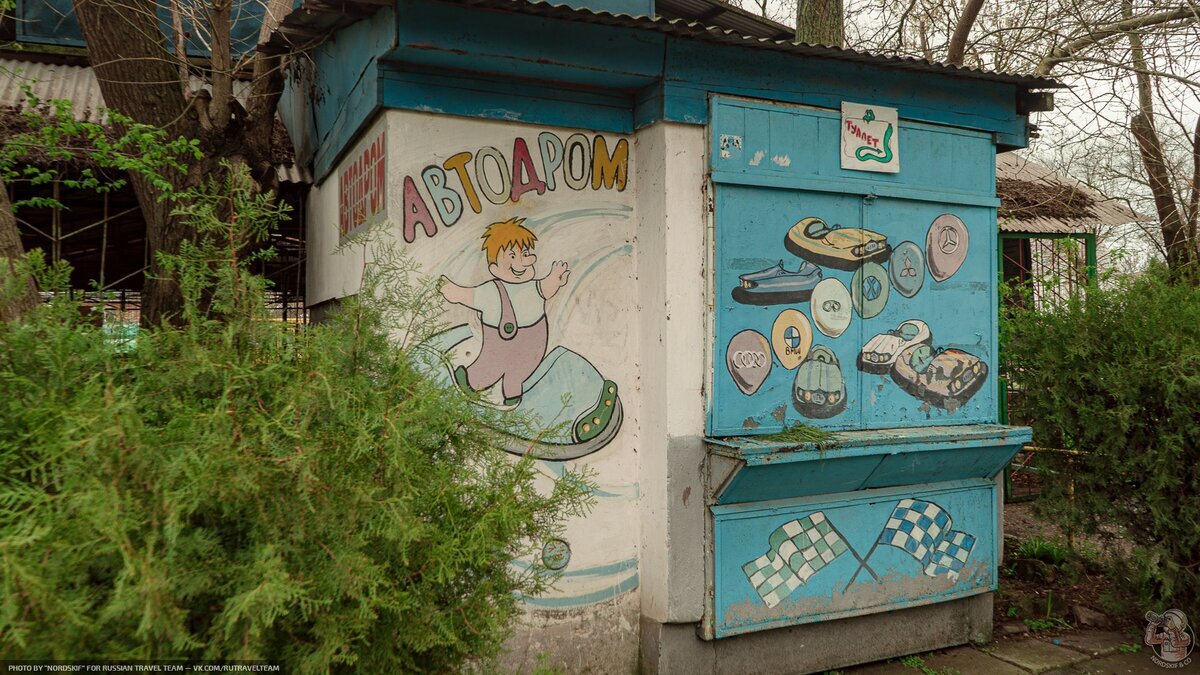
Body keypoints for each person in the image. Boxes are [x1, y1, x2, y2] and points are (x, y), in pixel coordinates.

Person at [440, 217, 570, 405]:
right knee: (490, 368)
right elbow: (469, 296)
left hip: (532, 345)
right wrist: (453, 290)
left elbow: (546, 289)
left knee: (518, 373)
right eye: (511, 256)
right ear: (494, 268)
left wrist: (554, 278)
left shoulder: (534, 287)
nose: (522, 261)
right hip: (500, 345)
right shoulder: (491, 290)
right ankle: (470, 382)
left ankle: (512, 397)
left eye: (525, 253)